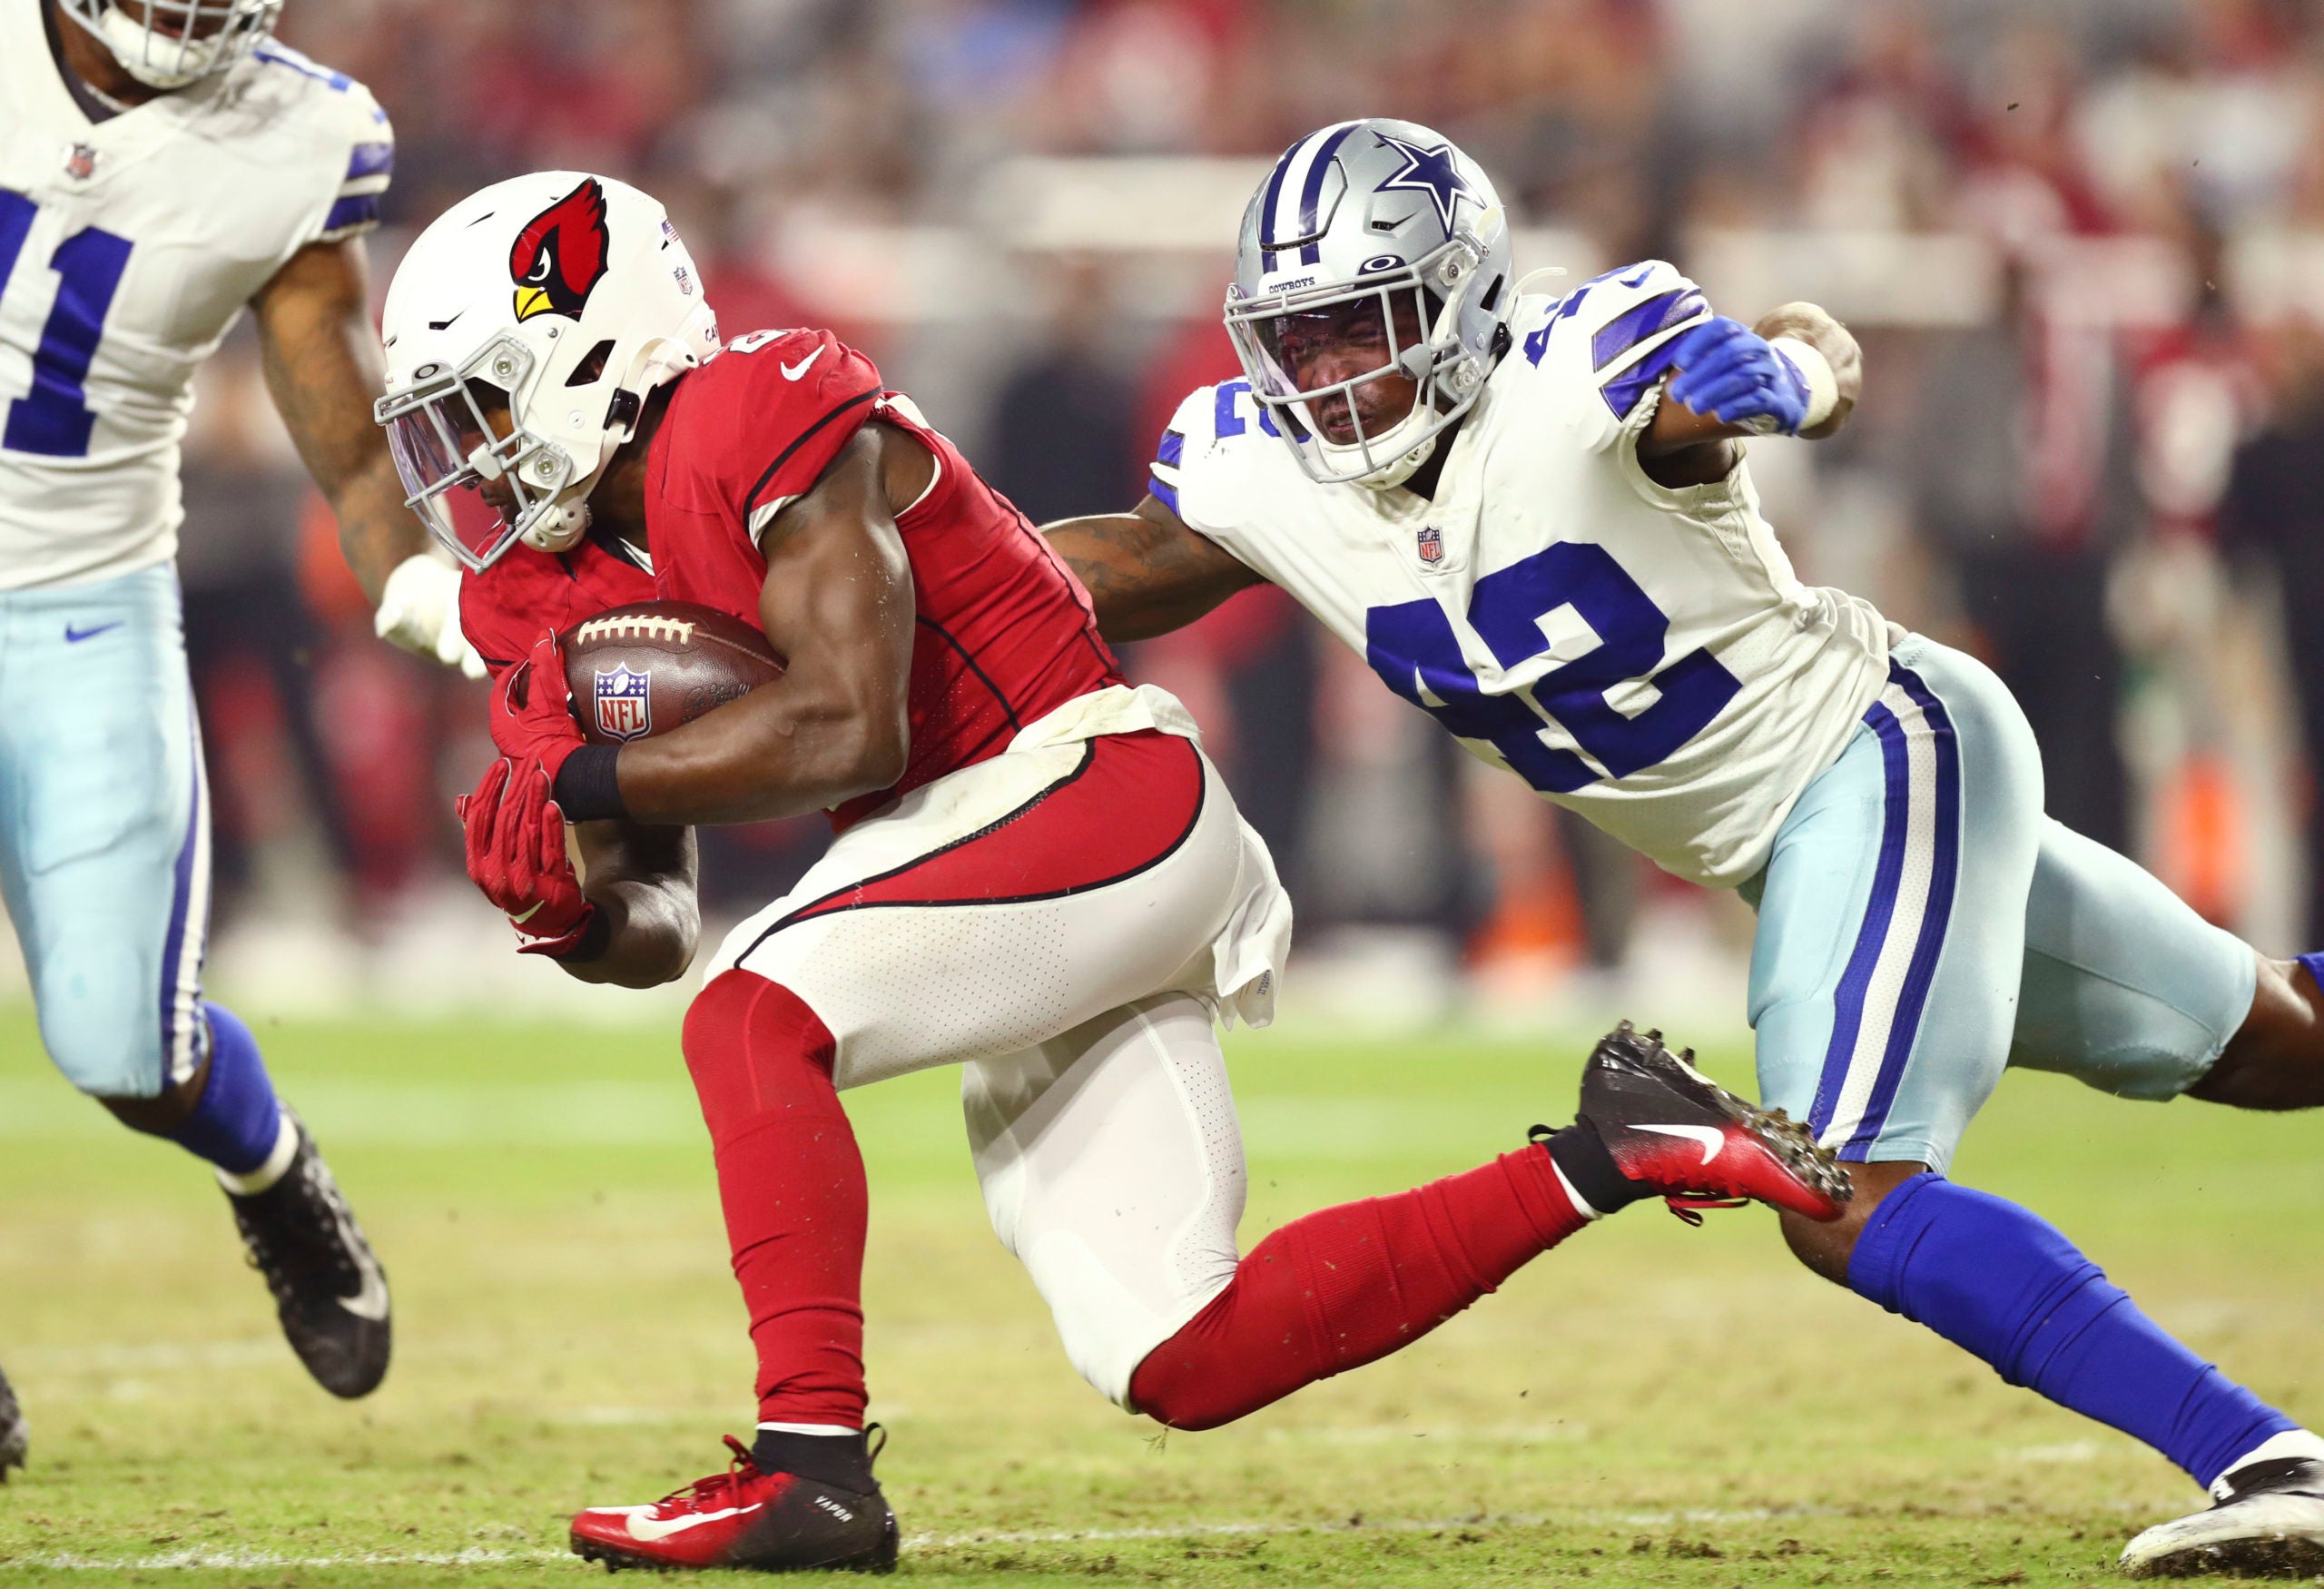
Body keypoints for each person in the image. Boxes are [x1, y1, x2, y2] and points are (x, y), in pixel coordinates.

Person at [377, 170, 1851, 1574]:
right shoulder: (544, 591)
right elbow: (660, 922)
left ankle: (809, 1465)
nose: (469, 453)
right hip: (993, 867)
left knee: (757, 1014)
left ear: (593, 349)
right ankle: (1620, 1146)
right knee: (1180, 1351)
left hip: (1086, 785)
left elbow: (848, 724)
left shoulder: (753, 405)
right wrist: (568, 907)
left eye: (484, 401)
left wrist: (584, 777)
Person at [1040, 117, 2324, 1579]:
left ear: (1459, 300)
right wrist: (913, 560)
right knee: (2279, 1039)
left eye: (1361, 325)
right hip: (1806, 843)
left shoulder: (1578, 368)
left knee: (1839, 1193)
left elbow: (1782, 356)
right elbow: (1105, 568)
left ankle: (2271, 1459)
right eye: (1298, 336)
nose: (1325, 373)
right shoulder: (1261, 469)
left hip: (1876, 752)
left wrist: (1792, 377)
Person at [0, 0, 487, 1469]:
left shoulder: (300, 133)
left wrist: (411, 572)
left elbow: (338, 402)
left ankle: (272, 1171)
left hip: (79, 597)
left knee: (124, 1043)